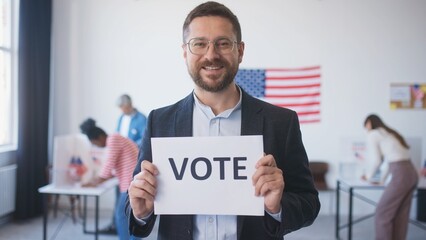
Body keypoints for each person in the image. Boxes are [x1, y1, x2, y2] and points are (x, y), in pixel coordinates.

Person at [126, 2, 320, 239]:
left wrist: (276, 207)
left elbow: (309, 204)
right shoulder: (160, 121)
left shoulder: (281, 122)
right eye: (199, 44)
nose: (211, 54)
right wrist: (140, 211)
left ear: (240, 50)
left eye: (223, 43)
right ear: (185, 52)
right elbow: (137, 207)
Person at [79, 118, 140, 240]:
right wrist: (96, 180)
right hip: (133, 181)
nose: (96, 146)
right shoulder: (116, 138)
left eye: (94, 143)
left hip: (130, 183)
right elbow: (112, 171)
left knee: (121, 216)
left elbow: (108, 166)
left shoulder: (113, 139)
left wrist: (94, 182)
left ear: (100, 137)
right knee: (132, 215)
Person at [362, 114, 418, 240]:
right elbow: (390, 161)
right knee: (400, 215)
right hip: (411, 173)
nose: (366, 129)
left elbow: (377, 160)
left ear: (369, 123)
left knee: (382, 213)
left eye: (365, 126)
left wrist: (367, 176)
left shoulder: (374, 134)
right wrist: (382, 180)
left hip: (401, 174)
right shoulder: (389, 133)